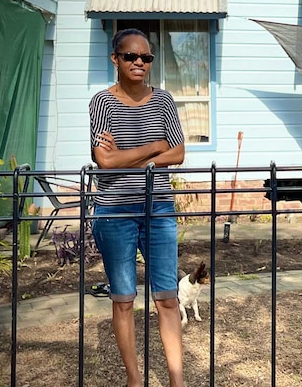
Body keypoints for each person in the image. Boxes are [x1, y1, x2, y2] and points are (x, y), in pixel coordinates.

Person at [88, 28, 186, 387]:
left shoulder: (163, 101)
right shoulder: (102, 102)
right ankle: (134, 379)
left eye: (146, 58)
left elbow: (178, 153)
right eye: (131, 56)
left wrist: (126, 157)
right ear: (115, 59)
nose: (140, 63)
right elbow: (104, 161)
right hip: (114, 211)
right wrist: (153, 147)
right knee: (124, 298)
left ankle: (177, 381)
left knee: (168, 298)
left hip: (157, 208)